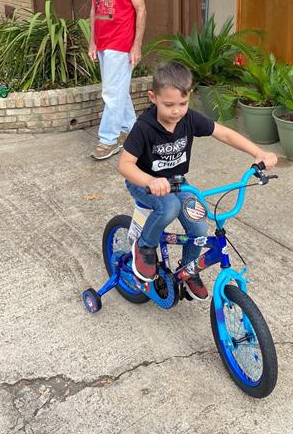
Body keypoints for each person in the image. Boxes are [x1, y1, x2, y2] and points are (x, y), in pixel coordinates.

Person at [118, 61, 278, 301]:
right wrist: (150, 180)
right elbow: (125, 165)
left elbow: (223, 132)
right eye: (168, 104)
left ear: (189, 97)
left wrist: (258, 153)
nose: (176, 111)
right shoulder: (145, 127)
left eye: (182, 104)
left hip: (179, 183)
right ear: (153, 97)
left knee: (200, 227)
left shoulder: (189, 119)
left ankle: (189, 269)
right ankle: (144, 247)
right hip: (143, 182)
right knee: (169, 206)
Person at [87, 0, 146, 161]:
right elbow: (94, 8)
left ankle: (108, 140)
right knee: (119, 92)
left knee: (111, 94)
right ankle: (133, 132)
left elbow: (141, 9)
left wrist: (137, 46)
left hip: (121, 43)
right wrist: (92, 41)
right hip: (102, 42)